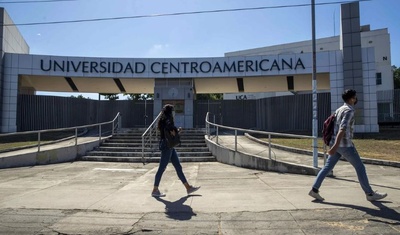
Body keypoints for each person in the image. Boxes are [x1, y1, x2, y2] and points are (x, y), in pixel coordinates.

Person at [309, 89, 387, 202]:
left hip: (337, 144)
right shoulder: (349, 110)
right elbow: (342, 128)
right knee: (360, 167)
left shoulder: (339, 109)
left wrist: (334, 146)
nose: (356, 99)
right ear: (351, 99)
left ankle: (314, 190)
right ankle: (369, 193)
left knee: (327, 168)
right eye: (355, 97)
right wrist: (335, 146)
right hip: (345, 145)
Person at [151, 104, 200, 197]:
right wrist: (178, 130)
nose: (174, 113)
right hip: (167, 146)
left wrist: (175, 131)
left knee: (178, 166)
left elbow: (168, 132)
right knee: (162, 168)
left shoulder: (162, 120)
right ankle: (155, 189)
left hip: (169, 146)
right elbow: (172, 131)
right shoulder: (168, 120)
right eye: (173, 111)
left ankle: (188, 188)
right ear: (170, 112)